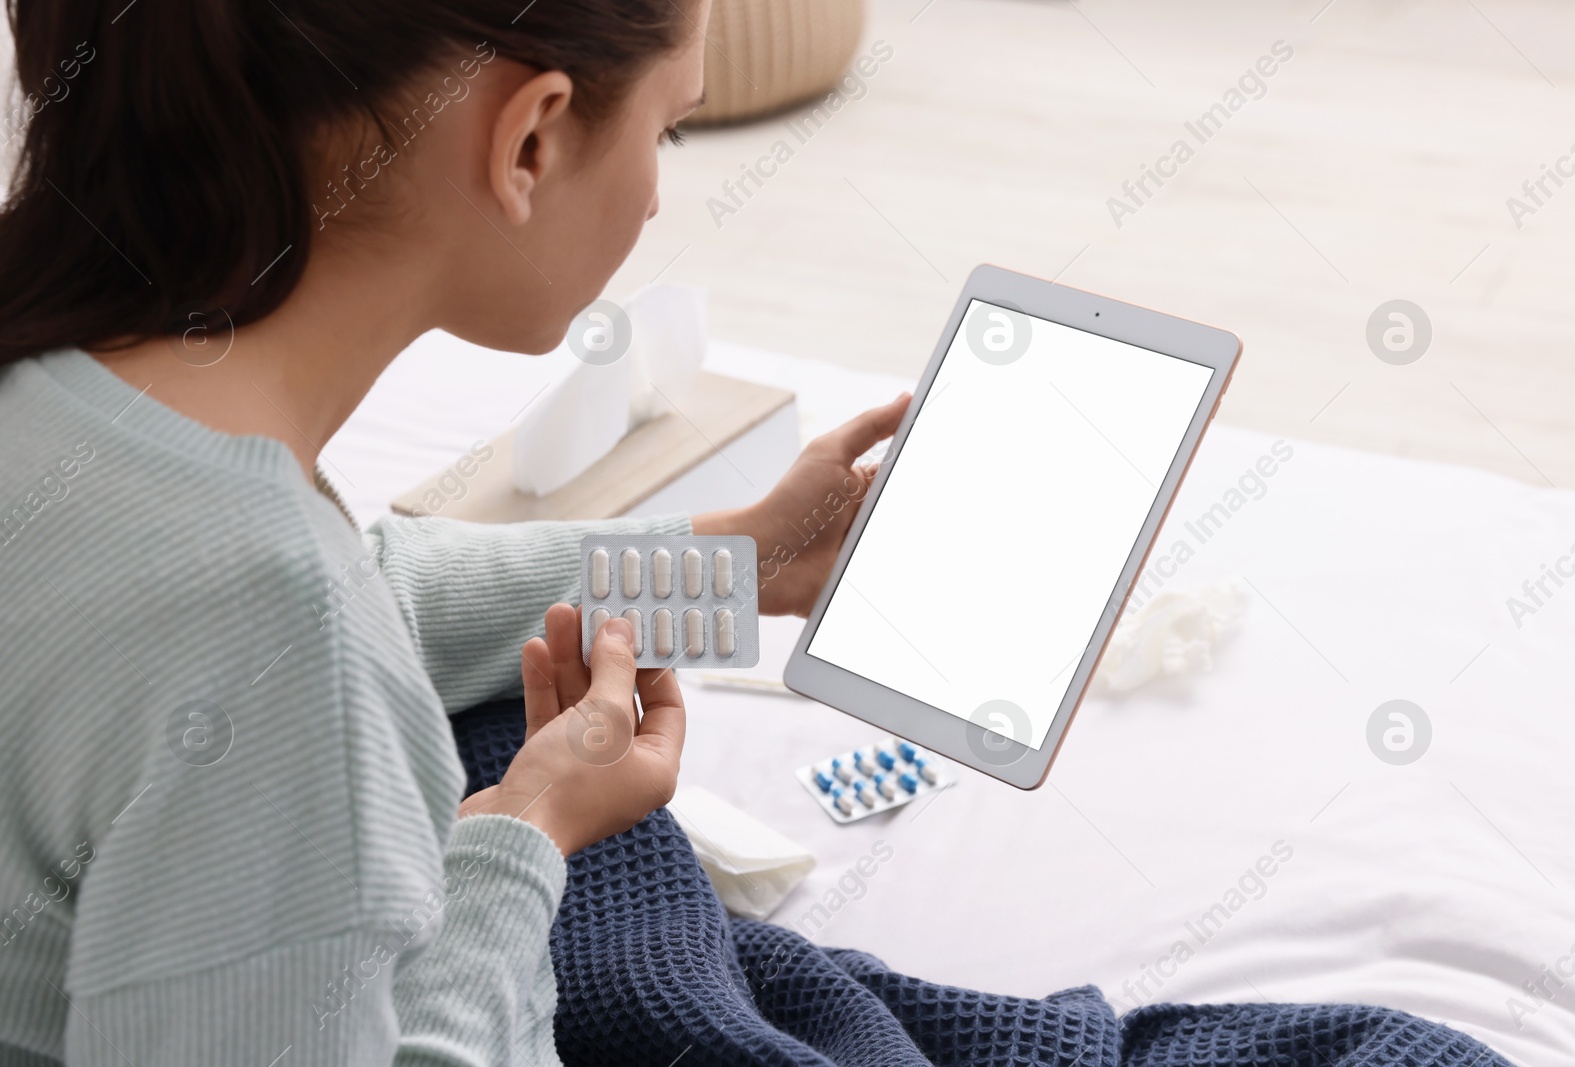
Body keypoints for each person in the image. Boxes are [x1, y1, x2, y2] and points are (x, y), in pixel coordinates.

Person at [0, 1, 909, 1063]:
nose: (657, 196)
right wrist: (525, 833)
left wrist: (734, 564)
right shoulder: (276, 632)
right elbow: (291, 628)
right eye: (665, 131)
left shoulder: (87, 387)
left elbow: (365, 588)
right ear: (530, 139)